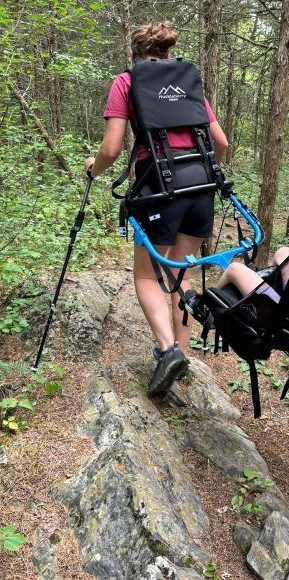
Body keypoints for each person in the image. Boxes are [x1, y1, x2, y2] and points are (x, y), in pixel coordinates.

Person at [84, 21, 228, 396]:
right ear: (166, 51)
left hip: (159, 188)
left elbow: (112, 148)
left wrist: (94, 168)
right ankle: (182, 352)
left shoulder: (127, 82)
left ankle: (167, 352)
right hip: (203, 185)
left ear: (135, 52)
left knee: (147, 276)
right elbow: (221, 143)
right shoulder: (189, 83)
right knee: (182, 273)